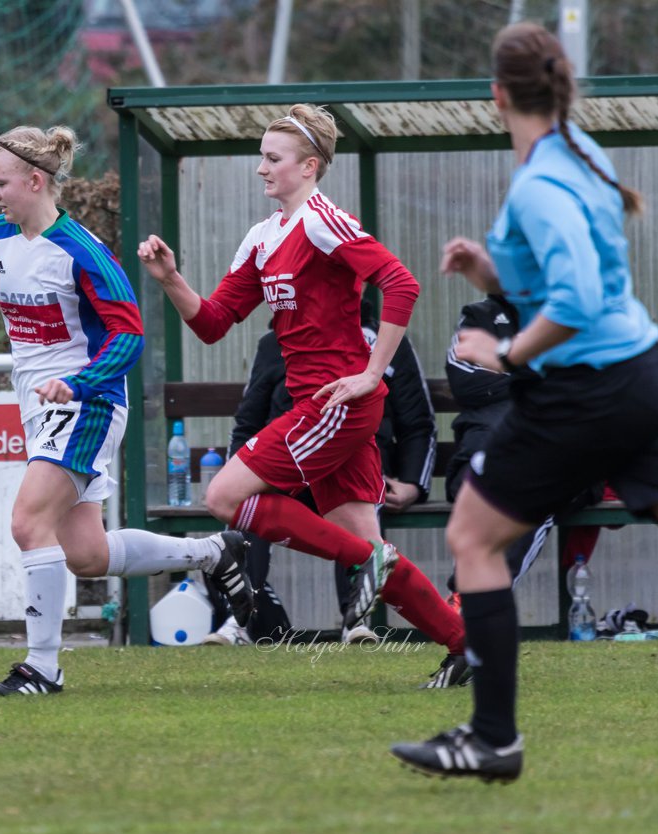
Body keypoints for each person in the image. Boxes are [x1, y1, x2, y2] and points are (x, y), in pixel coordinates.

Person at [391, 22, 658, 782]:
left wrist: (505, 352)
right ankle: (491, 736)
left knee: (471, 538)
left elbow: (573, 300)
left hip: (585, 392)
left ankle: (494, 738)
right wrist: (489, 274)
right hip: (639, 370)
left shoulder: (543, 180)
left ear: (497, 94)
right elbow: (566, 282)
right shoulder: (579, 153)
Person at [137, 104, 467, 686]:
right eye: (260, 157)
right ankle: (467, 648)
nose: (260, 169)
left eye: (272, 158)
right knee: (370, 548)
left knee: (225, 496)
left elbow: (401, 282)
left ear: (309, 166)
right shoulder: (263, 238)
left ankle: (362, 564)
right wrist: (169, 279)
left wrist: (371, 374)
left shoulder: (321, 219)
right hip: (320, 406)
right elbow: (214, 322)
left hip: (338, 402)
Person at [0, 125, 245, 697]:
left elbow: (129, 336)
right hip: (41, 405)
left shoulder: (82, 251)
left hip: (88, 403)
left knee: (27, 523)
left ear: (35, 180)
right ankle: (213, 553)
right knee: (87, 555)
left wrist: (79, 382)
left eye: (0, 183)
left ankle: (41, 669)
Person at [204, 309, 440, 657]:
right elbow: (248, 421)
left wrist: (413, 484)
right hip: (285, 470)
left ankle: (356, 621)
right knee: (246, 509)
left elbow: (418, 421)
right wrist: (236, 477)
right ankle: (242, 623)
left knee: (358, 517)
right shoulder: (275, 342)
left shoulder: (384, 342)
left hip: (354, 469)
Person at [443, 294, 614, 603]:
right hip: (486, 450)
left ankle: (470, 603)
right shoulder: (480, 315)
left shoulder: (574, 313)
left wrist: (505, 368)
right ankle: (471, 604)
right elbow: (466, 384)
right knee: (489, 487)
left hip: (563, 455)